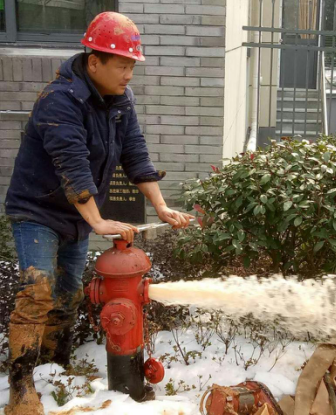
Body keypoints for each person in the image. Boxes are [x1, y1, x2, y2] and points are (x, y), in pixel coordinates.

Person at [3, 12, 193, 415]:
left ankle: (55, 367)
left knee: (68, 294)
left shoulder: (121, 101)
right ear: (94, 62)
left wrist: (161, 206)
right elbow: (72, 165)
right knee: (38, 292)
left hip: (75, 214)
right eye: (122, 66)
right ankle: (21, 387)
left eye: (132, 66)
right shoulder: (59, 100)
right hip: (36, 210)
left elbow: (135, 153)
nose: (129, 75)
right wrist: (97, 220)